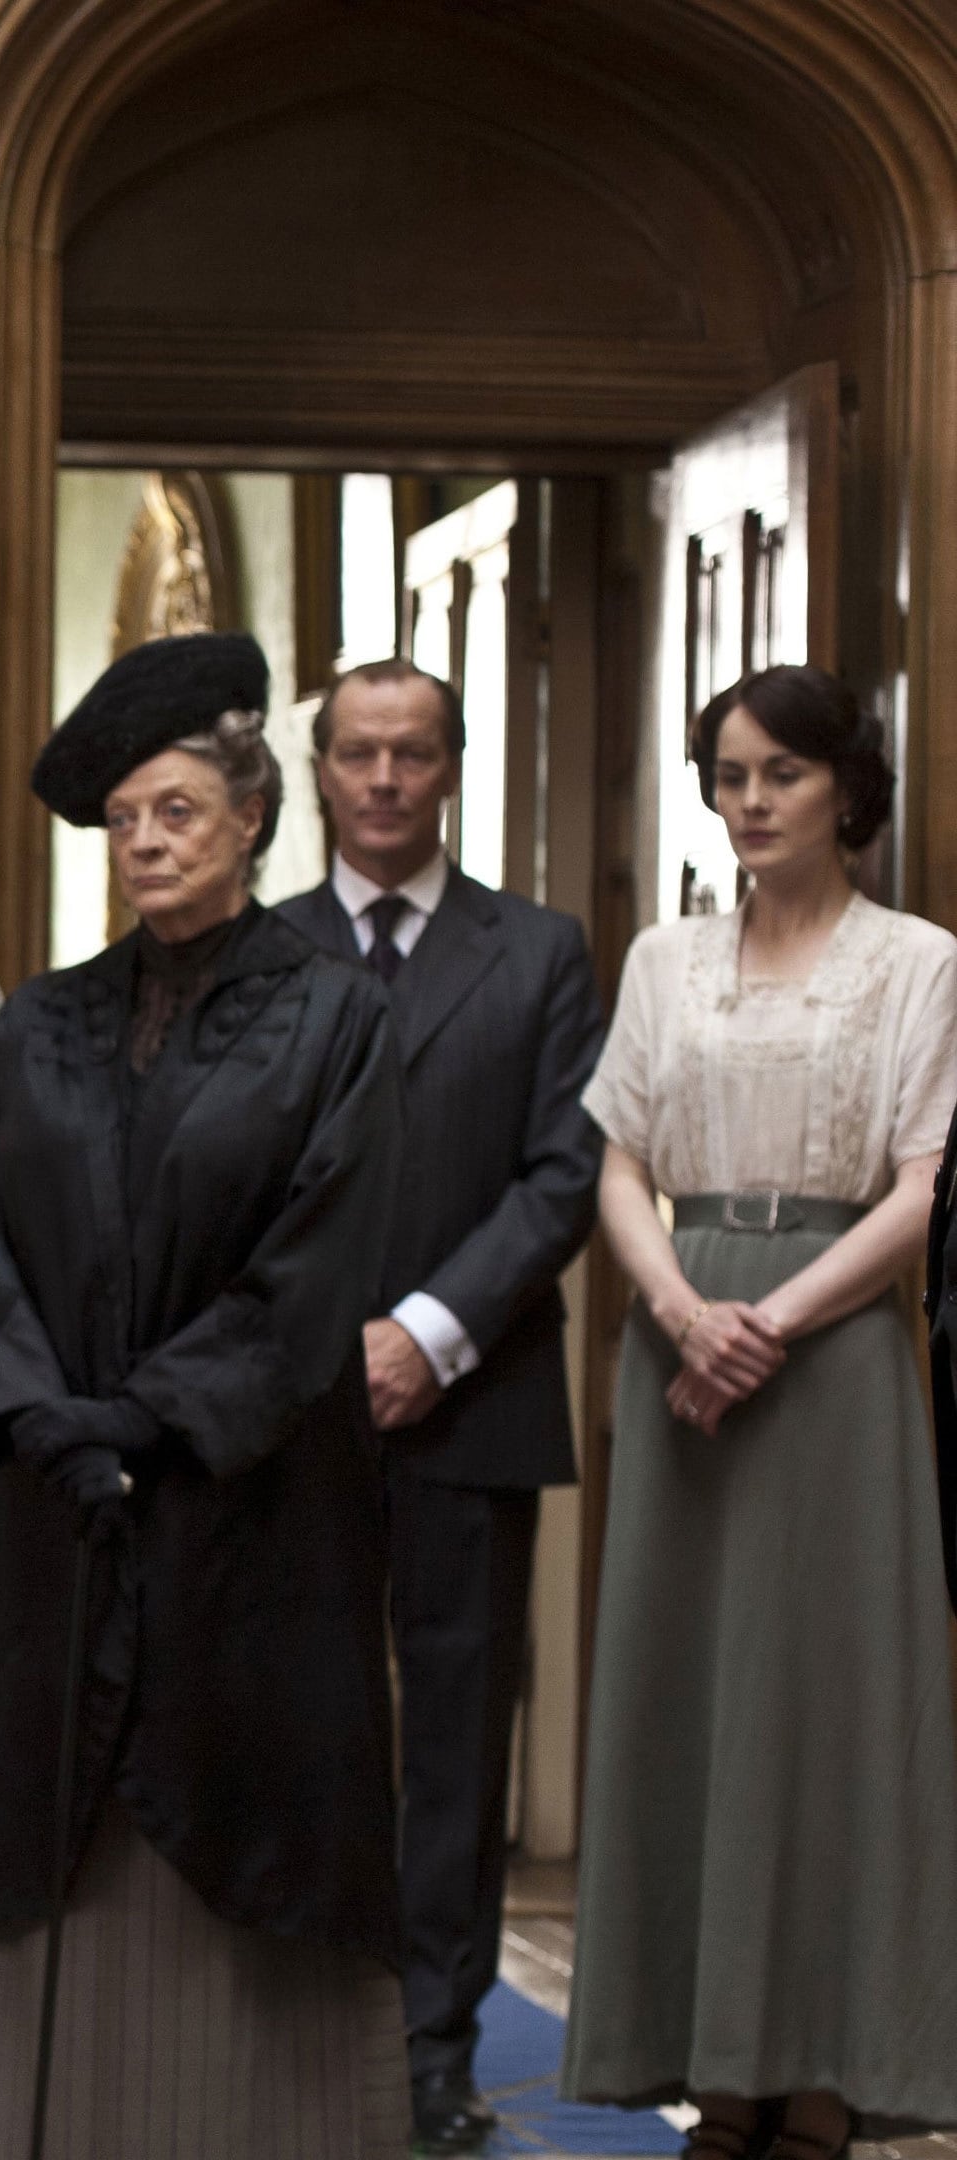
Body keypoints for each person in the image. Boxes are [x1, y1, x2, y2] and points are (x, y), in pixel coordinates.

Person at [0, 633, 407, 2159]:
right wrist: (44, 1418)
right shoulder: (38, 1020)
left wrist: (149, 1417)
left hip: (253, 1507)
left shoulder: (336, 1015)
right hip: (63, 1510)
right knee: (55, 1823)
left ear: (253, 818)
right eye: (127, 818)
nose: (146, 841)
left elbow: (318, 1264)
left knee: (252, 1802)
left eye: (180, 812)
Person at [560, 665, 957, 2159]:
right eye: (729, 775)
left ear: (849, 787)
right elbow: (617, 1164)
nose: (751, 800)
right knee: (691, 1707)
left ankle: (829, 2080)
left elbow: (926, 1187)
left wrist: (770, 1325)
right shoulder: (663, 959)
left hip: (835, 1356)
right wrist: (681, 1313)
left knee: (836, 1717)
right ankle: (718, 2078)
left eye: (782, 773)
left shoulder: (921, 962)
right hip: (685, 1350)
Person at [265, 660, 603, 2154]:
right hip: (290, 1417)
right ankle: (300, 2026)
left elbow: (563, 1176)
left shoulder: (539, 953)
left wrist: (426, 1331)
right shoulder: (254, 950)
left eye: (412, 753)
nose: (385, 779)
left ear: (454, 767)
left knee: (459, 1744)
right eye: (359, 753)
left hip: (476, 1402)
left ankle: (432, 2050)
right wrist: (318, 1342)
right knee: (298, 1724)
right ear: (321, 771)